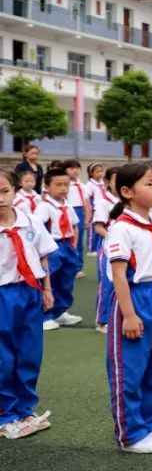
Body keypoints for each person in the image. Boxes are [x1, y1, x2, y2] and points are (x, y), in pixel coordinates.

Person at [105, 162, 152, 454]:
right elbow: (119, 274)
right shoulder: (122, 228)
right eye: (149, 184)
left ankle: (150, 423)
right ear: (127, 191)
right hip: (134, 298)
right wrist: (129, 314)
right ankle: (130, 434)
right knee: (130, 369)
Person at [0, 168, 57, 440]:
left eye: (5, 191)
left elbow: (42, 255)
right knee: (3, 356)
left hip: (30, 290)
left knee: (29, 353)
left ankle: (25, 408)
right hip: (2, 294)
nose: (0, 198)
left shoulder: (29, 221)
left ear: (14, 192)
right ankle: (5, 415)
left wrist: (47, 288)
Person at [36, 169, 81, 331]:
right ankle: (43, 315)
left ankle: (59, 311)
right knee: (50, 281)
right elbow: (38, 228)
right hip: (53, 247)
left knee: (66, 281)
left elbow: (75, 226)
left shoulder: (66, 205)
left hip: (67, 245)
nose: (63, 188)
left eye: (66, 184)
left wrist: (73, 246)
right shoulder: (44, 206)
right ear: (47, 186)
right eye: (58, 185)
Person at [92, 167, 120, 333]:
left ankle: (118, 317)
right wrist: (115, 236)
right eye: (116, 179)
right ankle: (102, 321)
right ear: (108, 182)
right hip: (108, 247)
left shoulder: (128, 201)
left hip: (125, 247)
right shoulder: (104, 202)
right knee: (107, 283)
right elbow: (99, 228)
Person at [61, 159, 91, 275]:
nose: (74, 171)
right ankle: (65, 265)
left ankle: (78, 267)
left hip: (78, 211)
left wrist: (87, 219)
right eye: (71, 168)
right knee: (65, 240)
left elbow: (87, 203)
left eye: (77, 168)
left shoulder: (83, 186)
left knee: (78, 242)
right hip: (65, 211)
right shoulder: (63, 185)